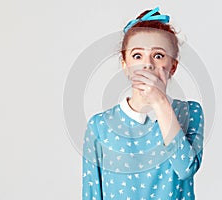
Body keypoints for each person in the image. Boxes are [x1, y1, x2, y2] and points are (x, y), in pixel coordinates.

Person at [82, 7, 204, 200]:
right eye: (137, 55)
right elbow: (91, 194)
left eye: (158, 56)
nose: (147, 65)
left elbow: (186, 168)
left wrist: (160, 102)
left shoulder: (190, 112)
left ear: (173, 66)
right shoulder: (100, 126)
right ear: (125, 64)